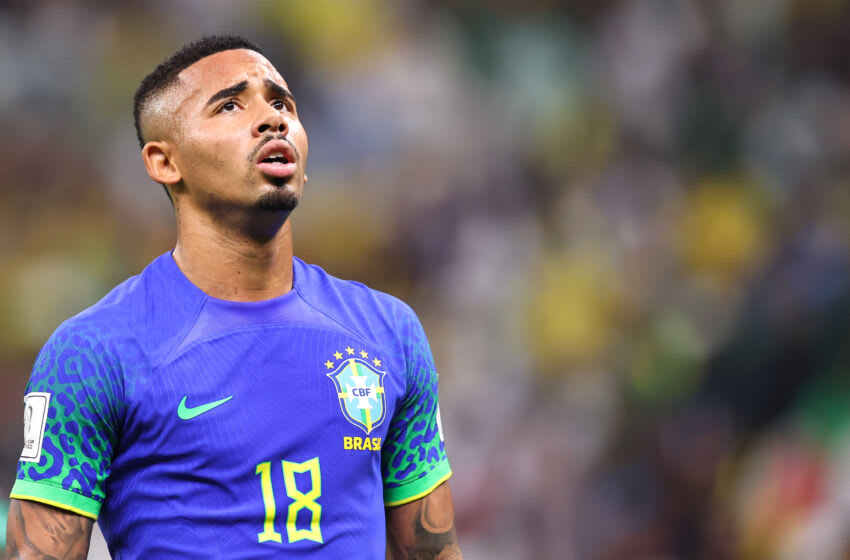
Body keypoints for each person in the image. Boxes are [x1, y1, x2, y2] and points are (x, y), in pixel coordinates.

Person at [5, 35, 462, 560]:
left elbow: (432, 550)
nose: (273, 120)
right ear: (164, 162)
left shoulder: (389, 332)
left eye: (282, 103)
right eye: (229, 105)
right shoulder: (95, 351)